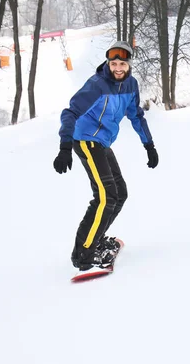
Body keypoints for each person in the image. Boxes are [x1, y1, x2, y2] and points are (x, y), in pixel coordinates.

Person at [53, 41, 159, 271]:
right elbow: (69, 113)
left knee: (119, 193)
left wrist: (148, 145)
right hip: (85, 140)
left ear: (129, 64)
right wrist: (64, 146)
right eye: (113, 63)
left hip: (101, 142)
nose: (117, 68)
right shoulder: (97, 86)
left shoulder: (131, 85)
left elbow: (136, 116)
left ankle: (96, 239)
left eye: (122, 63)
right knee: (105, 196)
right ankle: (84, 254)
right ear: (108, 64)